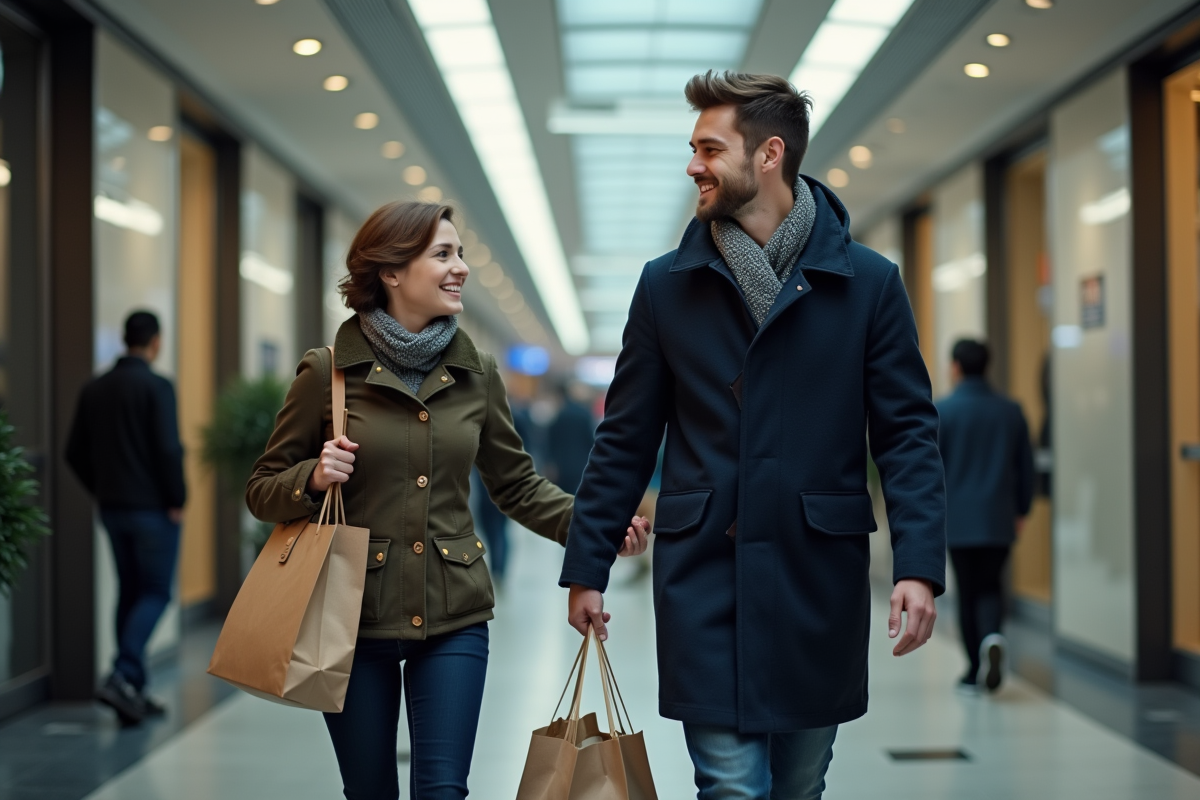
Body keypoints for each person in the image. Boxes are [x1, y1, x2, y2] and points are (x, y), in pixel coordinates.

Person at [560, 71, 946, 800]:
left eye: (710, 149)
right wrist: (588, 566)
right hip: (705, 578)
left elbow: (906, 435)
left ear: (769, 154)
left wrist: (918, 565)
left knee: (799, 786)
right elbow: (626, 437)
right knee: (731, 787)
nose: (693, 165)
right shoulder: (666, 286)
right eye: (693, 148)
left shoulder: (868, 284)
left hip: (816, 579)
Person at [245, 201, 649, 800]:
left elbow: (517, 484)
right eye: (443, 254)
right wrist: (313, 476)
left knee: (443, 791)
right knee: (369, 791)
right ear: (391, 271)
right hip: (351, 617)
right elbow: (262, 488)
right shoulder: (327, 372)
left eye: (459, 253)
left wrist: (597, 528)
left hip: (453, 614)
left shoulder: (477, 373)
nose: (461, 267)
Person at [66, 310, 186, 725]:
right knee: (156, 592)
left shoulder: (94, 388)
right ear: (156, 342)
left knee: (130, 592)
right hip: (153, 511)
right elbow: (168, 449)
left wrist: (101, 489)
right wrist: (177, 497)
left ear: (124, 339)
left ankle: (133, 689)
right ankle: (121, 674)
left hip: (113, 510)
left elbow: (73, 452)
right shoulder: (158, 386)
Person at [935, 338, 1034, 694]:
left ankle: (973, 670)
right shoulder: (1010, 410)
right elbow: (1025, 467)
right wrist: (1021, 509)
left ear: (956, 367)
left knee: (967, 590)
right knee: (991, 584)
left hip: (958, 519)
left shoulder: (943, 411)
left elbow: (932, 468)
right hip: (998, 517)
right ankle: (992, 636)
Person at [546, 379, 596, 493]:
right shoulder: (584, 414)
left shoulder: (557, 416)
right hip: (582, 465)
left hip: (561, 468)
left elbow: (551, 442)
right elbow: (591, 441)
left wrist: (550, 463)